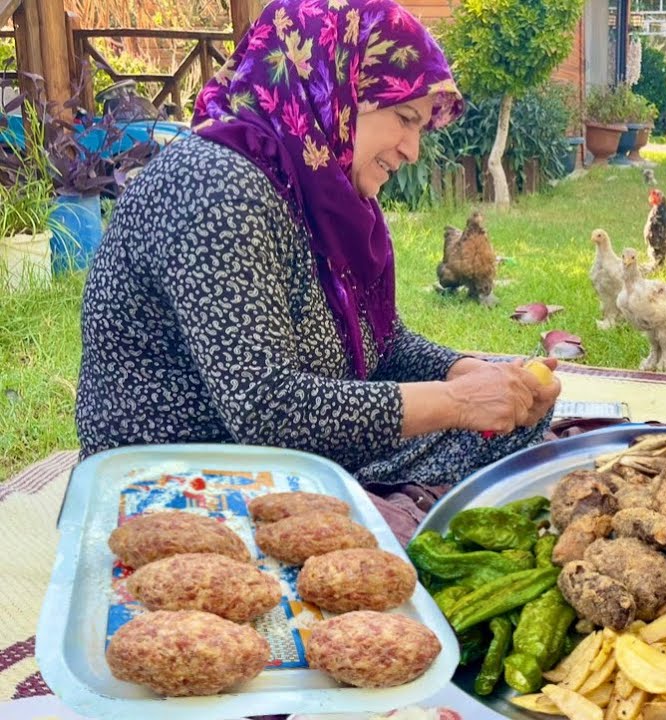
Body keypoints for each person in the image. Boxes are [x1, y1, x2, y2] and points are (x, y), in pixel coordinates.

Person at [75, 0, 560, 529]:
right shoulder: (216, 186)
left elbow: (383, 345)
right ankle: (381, 516)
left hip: (292, 457)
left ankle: (386, 509)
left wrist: (464, 372)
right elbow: (266, 409)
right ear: (334, 88)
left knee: (520, 413)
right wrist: (457, 403)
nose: (413, 150)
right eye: (404, 118)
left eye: (421, 127)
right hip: (181, 477)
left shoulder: (322, 187)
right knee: (475, 434)